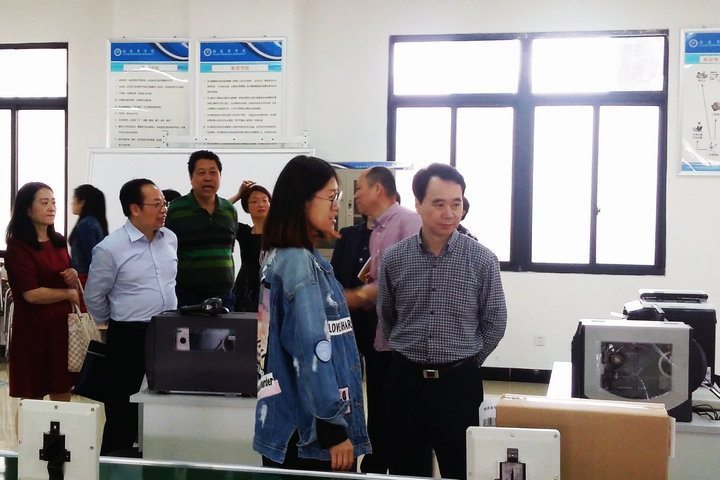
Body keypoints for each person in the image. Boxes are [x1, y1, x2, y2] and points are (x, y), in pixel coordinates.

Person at [377, 163, 507, 480]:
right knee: (404, 468)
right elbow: (388, 316)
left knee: (461, 467)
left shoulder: (482, 259)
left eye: (456, 203)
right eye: (438, 203)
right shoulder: (394, 258)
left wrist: (467, 362)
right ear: (418, 204)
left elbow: (495, 320)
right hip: (405, 381)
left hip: (458, 385)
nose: (449, 213)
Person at [254, 155, 371, 472]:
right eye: (331, 197)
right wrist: (333, 428)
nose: (337, 207)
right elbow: (313, 352)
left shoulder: (280, 255)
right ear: (301, 201)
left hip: (287, 423)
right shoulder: (299, 264)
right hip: (311, 434)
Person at [85, 179, 177, 456]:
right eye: (156, 204)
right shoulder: (110, 248)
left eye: (164, 203)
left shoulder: (170, 239)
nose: (163, 209)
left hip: (168, 332)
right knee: (122, 411)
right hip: (128, 336)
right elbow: (94, 296)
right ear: (134, 208)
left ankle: (158, 463)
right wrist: (116, 320)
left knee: (165, 407)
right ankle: (115, 467)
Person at [345, 166, 422, 474]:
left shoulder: (408, 222)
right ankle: (377, 465)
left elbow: (410, 278)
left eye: (359, 188)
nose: (356, 196)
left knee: (403, 419)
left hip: (405, 344)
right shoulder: (377, 231)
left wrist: (360, 295)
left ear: (378, 189)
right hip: (381, 337)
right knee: (378, 408)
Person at [4, 182, 79, 403]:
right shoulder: (18, 246)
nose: (51, 207)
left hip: (62, 328)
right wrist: (67, 294)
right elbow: (31, 294)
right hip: (33, 331)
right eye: (44, 203)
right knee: (32, 396)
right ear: (27, 209)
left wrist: (73, 274)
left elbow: (65, 275)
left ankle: (60, 428)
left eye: (53, 202)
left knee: (62, 390)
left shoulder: (59, 242)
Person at [165, 150, 237, 310]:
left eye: (213, 172)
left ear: (220, 176)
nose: (208, 178)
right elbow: (166, 252)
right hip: (188, 296)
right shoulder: (176, 210)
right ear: (191, 177)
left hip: (225, 297)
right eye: (201, 172)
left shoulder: (229, 210)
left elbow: (229, 249)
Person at [330, 215, 375, 358]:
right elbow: (333, 276)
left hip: (378, 321)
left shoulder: (396, 235)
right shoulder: (347, 234)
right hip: (346, 316)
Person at [228, 180, 271, 312]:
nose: (261, 204)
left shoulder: (279, 234)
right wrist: (238, 195)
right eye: (254, 201)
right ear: (246, 207)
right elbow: (219, 213)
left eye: (265, 200)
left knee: (265, 324)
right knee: (242, 323)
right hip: (244, 287)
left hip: (269, 289)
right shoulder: (244, 232)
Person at [69, 184, 109, 286]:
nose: (71, 203)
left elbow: (91, 258)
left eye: (73, 198)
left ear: (82, 202)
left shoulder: (85, 225)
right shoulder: (94, 222)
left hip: (85, 280)